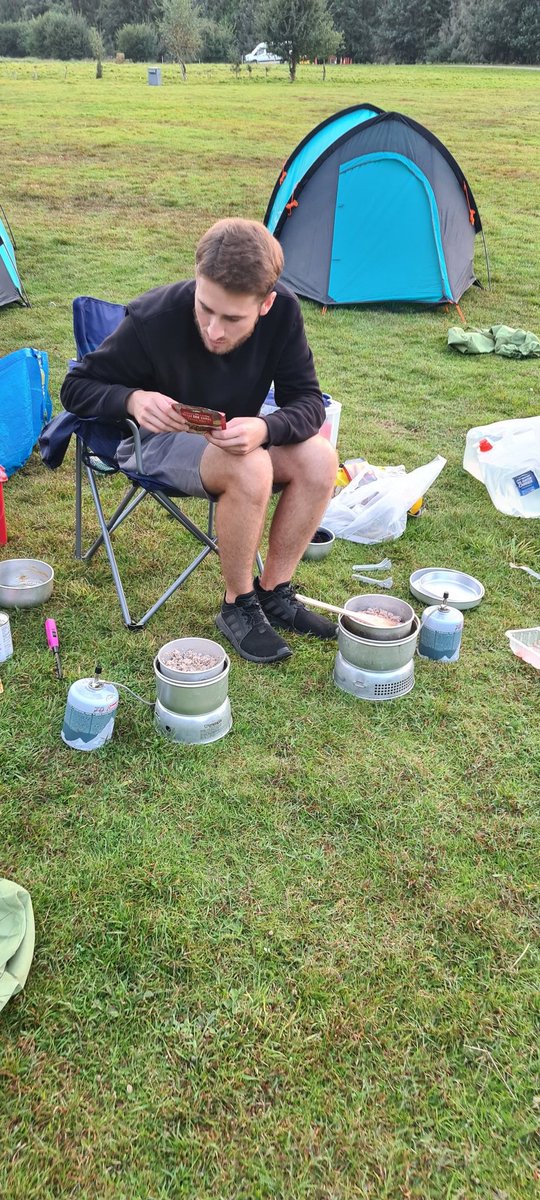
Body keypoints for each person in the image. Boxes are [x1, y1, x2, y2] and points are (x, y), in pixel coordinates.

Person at [61, 217, 338, 664]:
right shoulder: (154, 317)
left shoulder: (284, 312)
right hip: (152, 441)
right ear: (196, 279)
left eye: (232, 318)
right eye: (205, 308)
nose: (213, 329)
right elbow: (75, 388)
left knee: (320, 458)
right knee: (251, 466)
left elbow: (308, 401)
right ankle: (238, 604)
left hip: (233, 435)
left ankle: (274, 593)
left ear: (266, 303)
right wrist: (132, 399)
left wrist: (266, 428)